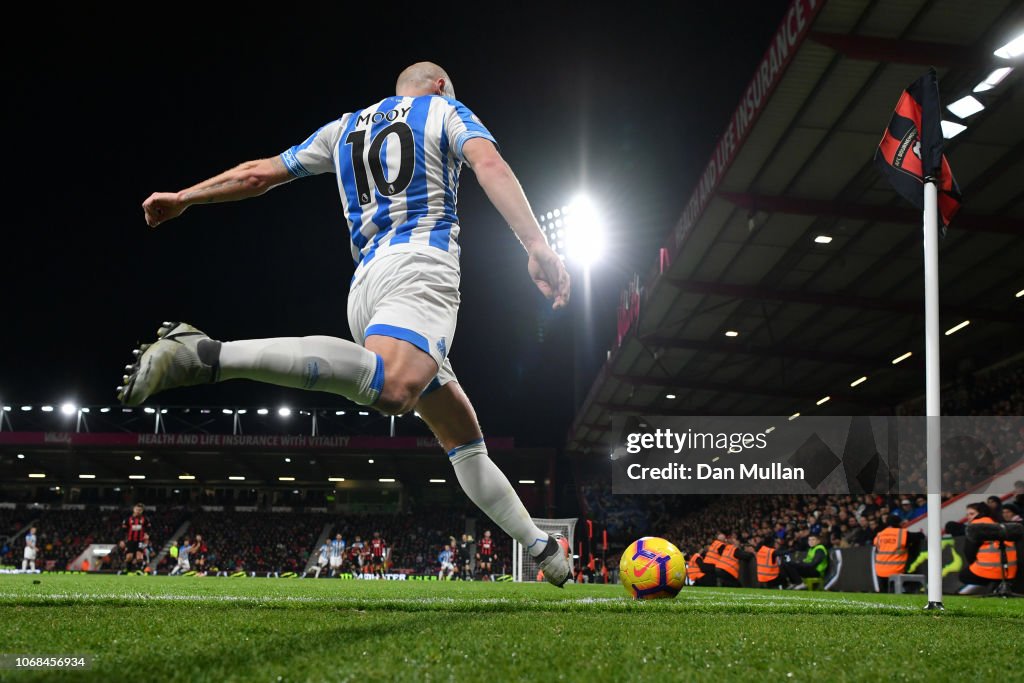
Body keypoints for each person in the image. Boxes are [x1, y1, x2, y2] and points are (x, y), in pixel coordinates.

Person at [119, 61, 571, 587]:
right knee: (397, 388)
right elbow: (488, 162)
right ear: (440, 85)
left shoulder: (345, 128)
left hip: (366, 288)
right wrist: (537, 245)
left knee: (462, 435)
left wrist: (185, 198)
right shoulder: (444, 109)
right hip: (419, 268)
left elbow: (257, 175)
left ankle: (544, 550)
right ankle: (208, 355)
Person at [958, 502, 1018, 595]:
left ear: (981, 513)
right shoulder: (997, 523)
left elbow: (969, 552)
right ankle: (995, 585)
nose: (969, 517)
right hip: (1010, 572)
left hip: (989, 571)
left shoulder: (975, 526)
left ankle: (992, 587)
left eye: (972, 514)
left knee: (964, 576)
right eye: (967, 514)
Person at [872, 515, 923, 592]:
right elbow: (919, 536)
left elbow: (875, 544)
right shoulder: (902, 534)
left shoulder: (880, 534)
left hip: (880, 571)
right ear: (899, 523)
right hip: (896, 570)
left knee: (884, 595)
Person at [122, 503, 151, 572]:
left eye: (140, 510)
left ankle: (139, 571)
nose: (138, 511)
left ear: (142, 511)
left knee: (139, 557)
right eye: (137, 509)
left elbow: (149, 529)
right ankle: (128, 571)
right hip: (130, 541)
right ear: (134, 510)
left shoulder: (145, 519)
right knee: (129, 557)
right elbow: (123, 530)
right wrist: (122, 540)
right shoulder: (128, 519)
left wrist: (147, 535)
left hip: (140, 541)